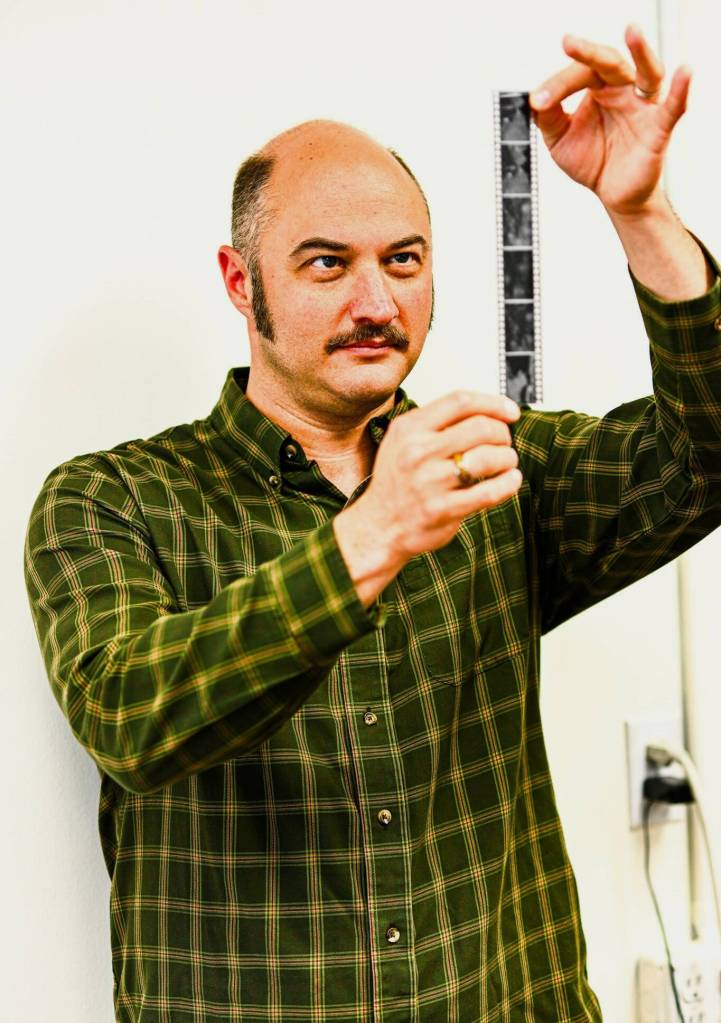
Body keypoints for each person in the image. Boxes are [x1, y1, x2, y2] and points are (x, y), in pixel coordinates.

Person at [23, 24, 721, 1023]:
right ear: (240, 281)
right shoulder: (110, 500)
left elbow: (705, 456)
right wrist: (370, 535)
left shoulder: (493, 470)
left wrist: (642, 213)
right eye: (325, 264)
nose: (374, 301)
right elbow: (132, 717)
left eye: (403, 260)